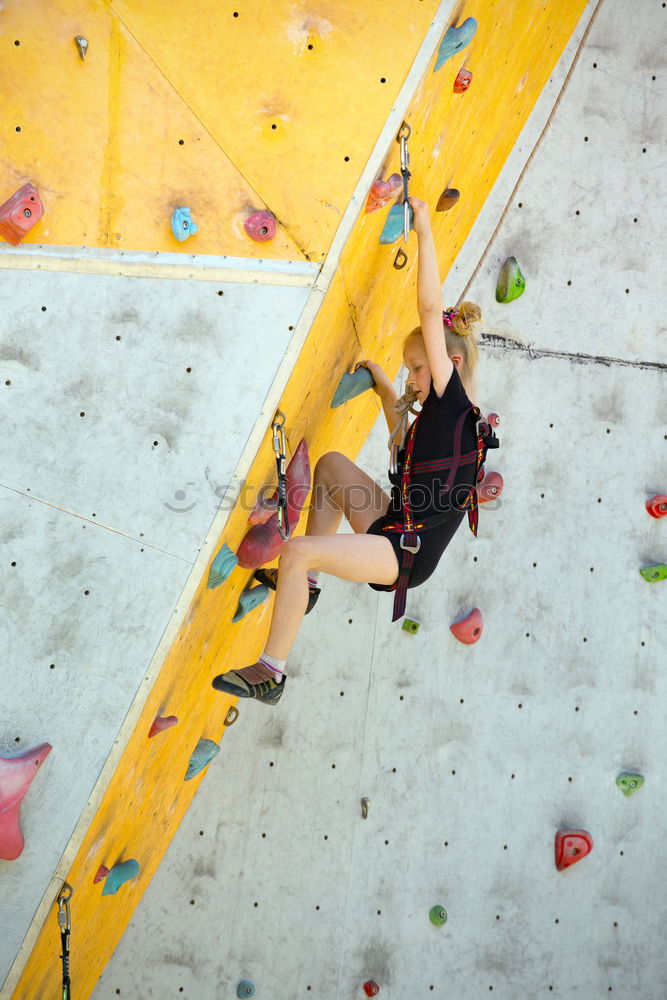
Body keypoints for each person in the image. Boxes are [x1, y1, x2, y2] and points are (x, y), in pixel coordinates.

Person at [212, 196, 486, 706]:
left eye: (417, 367)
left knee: (295, 550)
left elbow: (429, 308)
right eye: (408, 368)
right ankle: (307, 586)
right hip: (396, 525)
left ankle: (272, 673)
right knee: (331, 467)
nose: (412, 377)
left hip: (406, 554)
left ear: (448, 362)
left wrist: (425, 230)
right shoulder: (442, 421)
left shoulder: (454, 404)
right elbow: (403, 442)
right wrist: (386, 388)